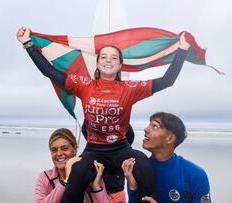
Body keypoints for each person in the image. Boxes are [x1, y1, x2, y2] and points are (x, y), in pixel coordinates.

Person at [17, 26, 190, 203]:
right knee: (77, 172)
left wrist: (182, 51)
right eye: (104, 57)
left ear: (120, 64)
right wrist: (28, 44)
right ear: (98, 63)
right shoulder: (84, 85)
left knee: (144, 165)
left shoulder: (130, 89)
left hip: (120, 149)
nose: (109, 61)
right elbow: (50, 72)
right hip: (93, 149)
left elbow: (167, 81)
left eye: (114, 57)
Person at [122, 112, 211, 203]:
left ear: (170, 139)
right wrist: (133, 189)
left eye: (155, 126)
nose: (146, 129)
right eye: (149, 125)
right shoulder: (139, 170)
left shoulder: (195, 174)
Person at [33, 128, 110, 203]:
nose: (59, 153)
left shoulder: (89, 174)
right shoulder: (44, 178)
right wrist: (65, 182)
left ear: (75, 149)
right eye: (54, 150)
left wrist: (96, 187)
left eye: (65, 148)